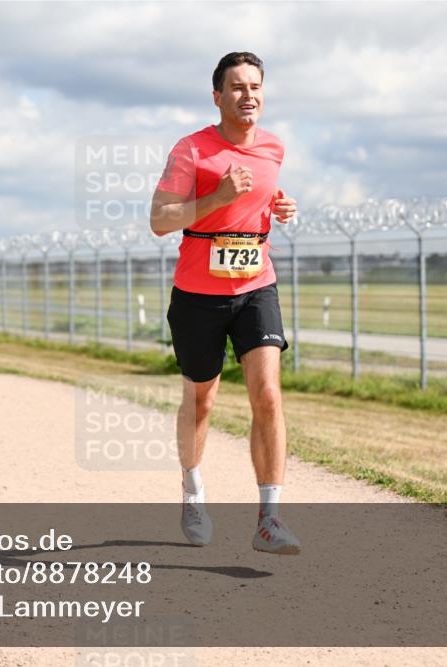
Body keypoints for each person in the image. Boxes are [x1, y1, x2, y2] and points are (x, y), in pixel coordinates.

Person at [150, 52, 299, 554]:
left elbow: (259, 198)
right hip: (198, 294)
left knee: (269, 395)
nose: (248, 95)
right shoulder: (192, 149)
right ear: (217, 96)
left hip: (257, 284)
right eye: (237, 87)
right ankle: (192, 492)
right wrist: (216, 197)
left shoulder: (275, 147)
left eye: (256, 86)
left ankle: (269, 519)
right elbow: (160, 218)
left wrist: (280, 206)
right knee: (202, 399)